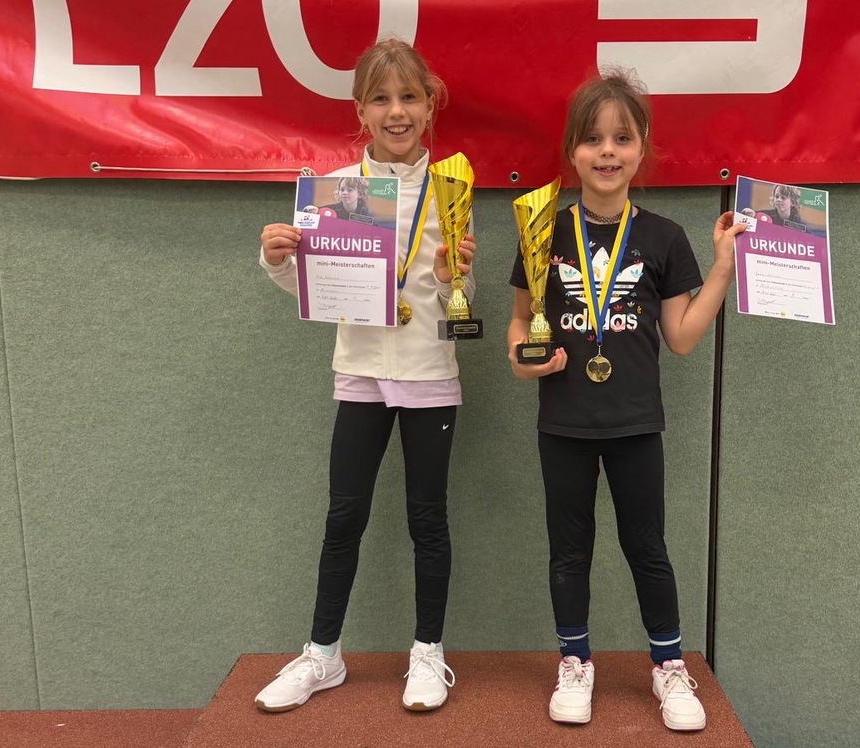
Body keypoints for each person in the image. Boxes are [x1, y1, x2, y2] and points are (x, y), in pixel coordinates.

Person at [506, 69, 744, 732]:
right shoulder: (541, 232)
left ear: (641, 149)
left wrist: (722, 266)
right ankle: (575, 661)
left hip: (637, 423)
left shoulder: (663, 238)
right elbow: (519, 325)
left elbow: (682, 339)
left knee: (647, 547)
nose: (606, 151)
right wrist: (524, 364)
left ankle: (666, 668)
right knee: (568, 549)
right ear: (571, 151)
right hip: (563, 424)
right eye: (592, 139)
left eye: (621, 137)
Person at [254, 37, 476, 714]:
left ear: (429, 105)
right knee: (343, 516)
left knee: (426, 519)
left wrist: (451, 278)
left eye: (408, 96)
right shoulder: (338, 195)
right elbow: (317, 291)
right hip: (358, 372)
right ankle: (323, 655)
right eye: (380, 98)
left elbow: (462, 307)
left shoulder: (454, 186)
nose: (396, 110)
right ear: (360, 110)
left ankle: (426, 654)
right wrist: (278, 258)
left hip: (428, 374)